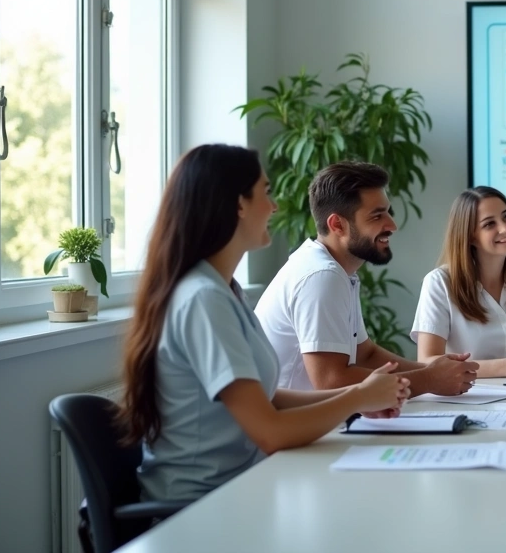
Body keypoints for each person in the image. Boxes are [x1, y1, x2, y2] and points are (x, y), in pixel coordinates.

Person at [117, 144, 410, 502]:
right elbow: (269, 431)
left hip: (243, 485)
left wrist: (359, 398)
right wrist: (356, 397)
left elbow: (267, 399)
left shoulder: (223, 290)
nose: (274, 206)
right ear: (238, 205)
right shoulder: (202, 299)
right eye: (266, 193)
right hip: (202, 505)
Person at [255, 161, 478, 396]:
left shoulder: (333, 270)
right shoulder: (322, 276)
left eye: (388, 212)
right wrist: (429, 379)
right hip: (298, 428)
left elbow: (366, 353)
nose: (392, 225)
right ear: (337, 224)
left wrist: (432, 370)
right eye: (377, 216)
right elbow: (331, 381)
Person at [412, 187, 506, 378]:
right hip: (467, 397)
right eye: (489, 224)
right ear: (469, 236)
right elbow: (427, 362)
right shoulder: (439, 282)